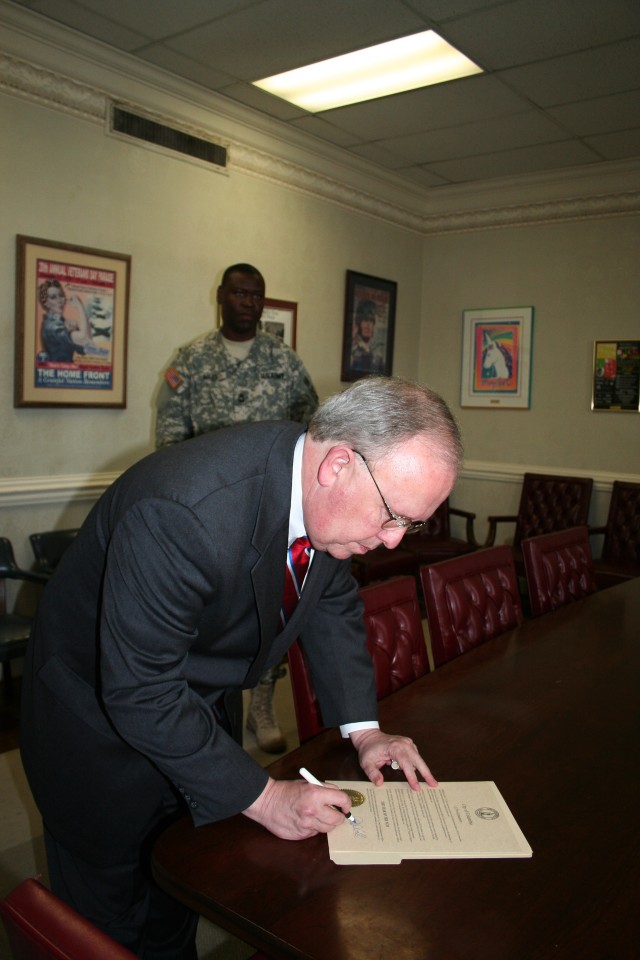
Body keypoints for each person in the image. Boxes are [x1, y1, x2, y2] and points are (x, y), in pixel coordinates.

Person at [20, 376, 461, 959]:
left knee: (178, 889)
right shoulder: (185, 511)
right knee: (107, 923)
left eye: (412, 524)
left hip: (194, 702)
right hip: (94, 725)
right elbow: (142, 691)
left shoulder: (324, 494)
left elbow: (329, 604)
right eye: (392, 517)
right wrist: (263, 796)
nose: (391, 541)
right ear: (338, 465)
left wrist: (365, 730)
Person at [155, 263, 318, 754]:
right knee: (209, 614)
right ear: (221, 296)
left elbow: (312, 433)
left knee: (270, 610)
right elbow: (168, 442)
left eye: (257, 295)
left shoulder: (285, 362)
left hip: (269, 513)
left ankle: (262, 705)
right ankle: (206, 708)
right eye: (240, 293)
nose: (249, 302)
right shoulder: (192, 361)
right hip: (206, 516)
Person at [38, 279, 107, 362]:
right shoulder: (52, 326)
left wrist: (105, 353)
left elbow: (88, 344)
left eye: (61, 295)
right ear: (45, 302)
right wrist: (80, 307)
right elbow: (83, 337)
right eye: (53, 297)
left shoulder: (62, 323)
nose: (59, 300)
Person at [350, 298, 385, 373]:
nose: (368, 325)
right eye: (365, 320)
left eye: (371, 320)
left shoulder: (378, 349)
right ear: (359, 323)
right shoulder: (354, 348)